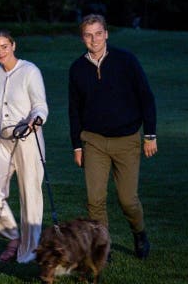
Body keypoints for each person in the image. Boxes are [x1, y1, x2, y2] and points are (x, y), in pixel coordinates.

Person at [67, 14, 157, 260]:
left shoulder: (126, 61)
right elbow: (74, 110)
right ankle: (103, 246)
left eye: (98, 33)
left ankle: (139, 232)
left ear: (106, 34)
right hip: (93, 141)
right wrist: (77, 146)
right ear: (82, 38)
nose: (94, 39)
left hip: (126, 139)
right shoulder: (77, 69)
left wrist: (150, 134)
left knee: (128, 200)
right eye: (88, 35)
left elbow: (146, 97)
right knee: (95, 199)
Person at [0, 30, 49, 263]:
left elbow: (40, 105)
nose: (0, 52)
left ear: (13, 46)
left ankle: (28, 253)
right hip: (0, 142)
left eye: (4, 46)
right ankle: (12, 236)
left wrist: (36, 120)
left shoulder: (30, 71)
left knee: (30, 195)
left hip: (27, 139)